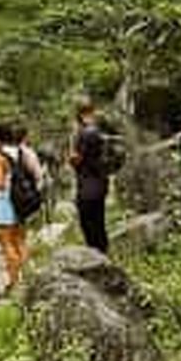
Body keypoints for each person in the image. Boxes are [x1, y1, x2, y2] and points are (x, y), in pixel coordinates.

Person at [0, 122, 28, 290]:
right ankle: (26, 279)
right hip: (21, 201)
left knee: (7, 243)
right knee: (20, 240)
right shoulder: (21, 152)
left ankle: (14, 283)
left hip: (6, 202)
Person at [70, 98, 109, 254]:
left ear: (78, 113)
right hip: (101, 183)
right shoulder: (99, 131)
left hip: (87, 186)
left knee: (89, 226)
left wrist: (72, 144)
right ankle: (103, 256)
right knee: (99, 223)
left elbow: (75, 160)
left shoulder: (85, 134)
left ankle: (96, 260)